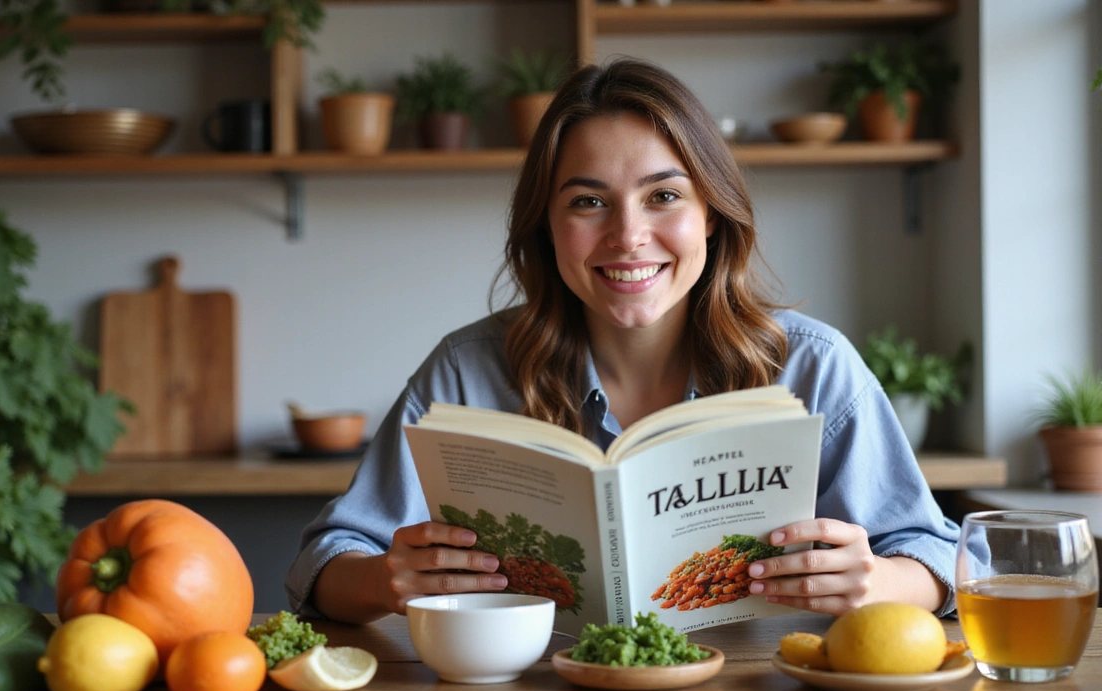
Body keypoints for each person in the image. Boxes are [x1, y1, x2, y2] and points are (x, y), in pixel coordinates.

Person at [285, 57, 961, 625]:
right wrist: (385, 582)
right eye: (588, 201)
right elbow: (326, 559)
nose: (628, 236)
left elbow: (941, 558)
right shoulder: (465, 373)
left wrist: (876, 581)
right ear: (547, 227)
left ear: (712, 215)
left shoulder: (813, 367)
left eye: (663, 196)